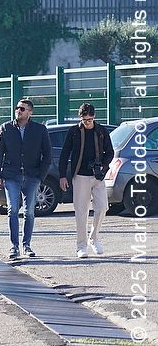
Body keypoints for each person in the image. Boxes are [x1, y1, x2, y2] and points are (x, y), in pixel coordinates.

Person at [0, 98, 52, 260]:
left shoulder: (39, 130)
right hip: (11, 175)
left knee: (29, 212)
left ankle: (27, 245)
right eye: (17, 108)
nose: (18, 111)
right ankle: (14, 246)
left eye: (22, 109)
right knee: (12, 210)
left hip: (32, 176)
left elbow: (47, 155)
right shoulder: (6, 128)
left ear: (30, 112)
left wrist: (41, 176)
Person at [58, 103, 114, 258]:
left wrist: (103, 167)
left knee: (102, 207)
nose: (87, 122)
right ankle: (81, 246)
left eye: (89, 119)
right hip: (80, 175)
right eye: (84, 119)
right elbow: (65, 154)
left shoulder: (101, 130)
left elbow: (110, 152)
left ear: (94, 117)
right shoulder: (74, 131)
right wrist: (63, 175)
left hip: (98, 175)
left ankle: (94, 238)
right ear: (80, 118)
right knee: (81, 212)